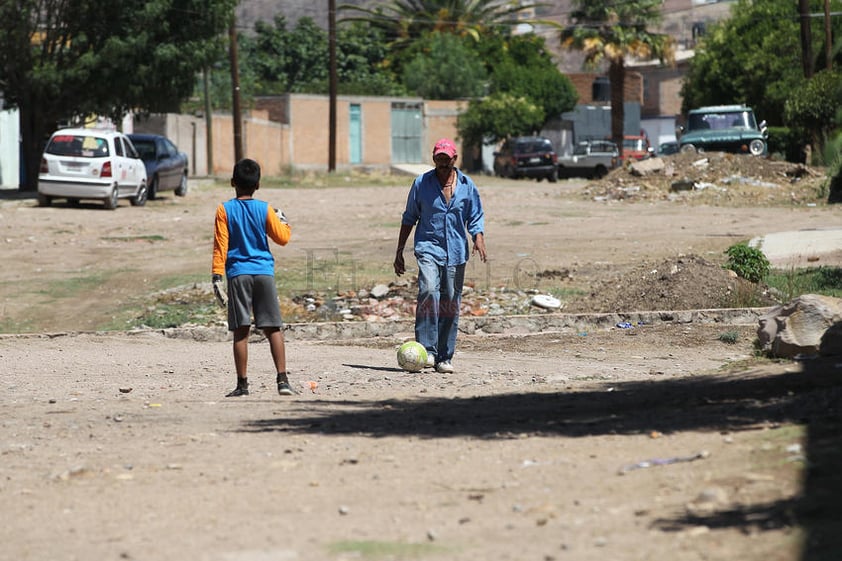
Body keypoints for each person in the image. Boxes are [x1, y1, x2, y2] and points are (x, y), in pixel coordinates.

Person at [393, 138, 487, 373]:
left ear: (455, 159)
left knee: (450, 303)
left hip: (456, 251)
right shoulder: (421, 183)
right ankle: (427, 351)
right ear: (434, 159)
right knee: (428, 290)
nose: (443, 164)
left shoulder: (467, 185)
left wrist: (478, 236)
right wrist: (399, 251)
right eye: (439, 159)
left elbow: (475, 216)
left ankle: (444, 356)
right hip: (428, 247)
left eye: (447, 159)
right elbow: (409, 217)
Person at [211, 158, 295, 397]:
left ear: (232, 183)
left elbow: (221, 246)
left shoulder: (224, 210)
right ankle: (283, 380)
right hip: (264, 273)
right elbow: (282, 238)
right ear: (258, 184)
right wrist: (284, 221)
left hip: (238, 274)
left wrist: (217, 275)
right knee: (273, 328)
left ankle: (242, 385)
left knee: (241, 331)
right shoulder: (265, 208)